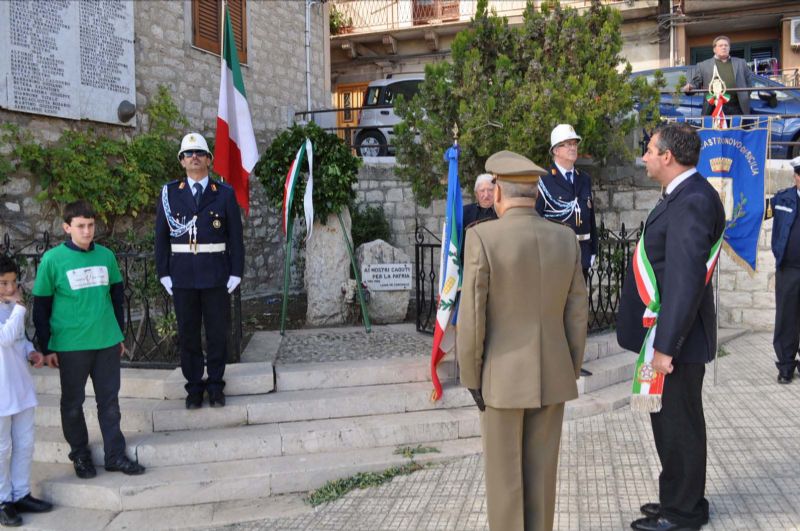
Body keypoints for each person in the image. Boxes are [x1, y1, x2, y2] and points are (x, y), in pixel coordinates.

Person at [457, 150, 588, 531]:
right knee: (542, 479)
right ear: (535, 195)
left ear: (497, 192)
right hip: (553, 374)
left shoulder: (482, 237)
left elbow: (473, 319)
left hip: (500, 379)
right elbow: (577, 312)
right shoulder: (565, 239)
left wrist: (472, 377)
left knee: (505, 483)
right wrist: (571, 366)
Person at [616, 123, 725, 531]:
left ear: (668, 156)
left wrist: (666, 347)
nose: (644, 156)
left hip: (677, 341)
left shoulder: (693, 200)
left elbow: (684, 279)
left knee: (679, 423)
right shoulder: (683, 194)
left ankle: (682, 514)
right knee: (671, 421)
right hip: (669, 334)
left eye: (649, 149)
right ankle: (678, 499)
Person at [32, 200, 145, 480]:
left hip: (106, 342)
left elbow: (117, 298)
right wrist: (46, 348)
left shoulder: (106, 256)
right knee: (72, 403)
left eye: (91, 225)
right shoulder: (52, 260)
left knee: (109, 402)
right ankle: (80, 455)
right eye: (80, 226)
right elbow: (41, 306)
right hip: (71, 346)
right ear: (67, 227)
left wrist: (118, 335)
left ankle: (115, 455)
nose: (87, 231)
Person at [155, 133, 244, 410]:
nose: (194, 157)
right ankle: (194, 387)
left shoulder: (224, 194)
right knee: (189, 333)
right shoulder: (170, 194)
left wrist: (236, 272)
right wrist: (163, 273)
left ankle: (216, 385)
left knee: (218, 333)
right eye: (188, 154)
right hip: (182, 275)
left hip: (216, 274)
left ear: (209, 160)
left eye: (199, 153)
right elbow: (160, 237)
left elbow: (235, 238)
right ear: (181, 161)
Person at [0, 256, 52, 527]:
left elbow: (18, 340)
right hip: (0, 390)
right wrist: (20, 309)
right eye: (3, 283)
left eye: (12, 282)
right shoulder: (14, 308)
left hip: (19, 386)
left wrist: (31, 352)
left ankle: (21, 493)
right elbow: (4, 338)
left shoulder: (10, 308)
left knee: (24, 443)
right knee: (1, 448)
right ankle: (3, 500)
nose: (10, 288)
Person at [536, 124, 598, 280]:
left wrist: (593, 249)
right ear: (556, 150)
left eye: (575, 144)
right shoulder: (544, 180)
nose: (573, 148)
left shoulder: (584, 179)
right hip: (555, 254)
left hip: (582, 253)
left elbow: (590, 216)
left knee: (579, 303)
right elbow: (536, 219)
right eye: (568, 144)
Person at [769, 156, 800, 384]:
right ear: (795, 177)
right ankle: (786, 366)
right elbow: (755, 213)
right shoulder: (782, 199)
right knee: (786, 319)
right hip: (788, 269)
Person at [682, 35, 755, 117]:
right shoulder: (703, 65)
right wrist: (690, 87)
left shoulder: (741, 63)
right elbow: (696, 83)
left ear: (729, 48)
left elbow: (750, 82)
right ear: (714, 49)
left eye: (726, 45)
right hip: (713, 108)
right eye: (720, 45)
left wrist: (744, 96)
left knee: (738, 130)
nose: (724, 47)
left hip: (738, 108)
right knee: (715, 130)